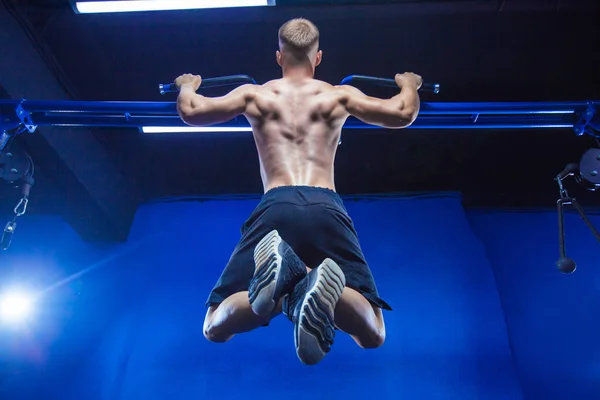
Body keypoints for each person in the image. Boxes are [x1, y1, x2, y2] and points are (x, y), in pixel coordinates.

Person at [175, 18, 422, 365]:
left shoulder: (255, 94)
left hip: (275, 203)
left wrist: (188, 85)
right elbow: (403, 112)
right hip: (326, 204)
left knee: (214, 326)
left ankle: (289, 280)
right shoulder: (339, 95)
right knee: (373, 335)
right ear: (317, 57)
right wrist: (408, 84)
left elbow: (191, 111)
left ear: (279, 57)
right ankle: (304, 278)